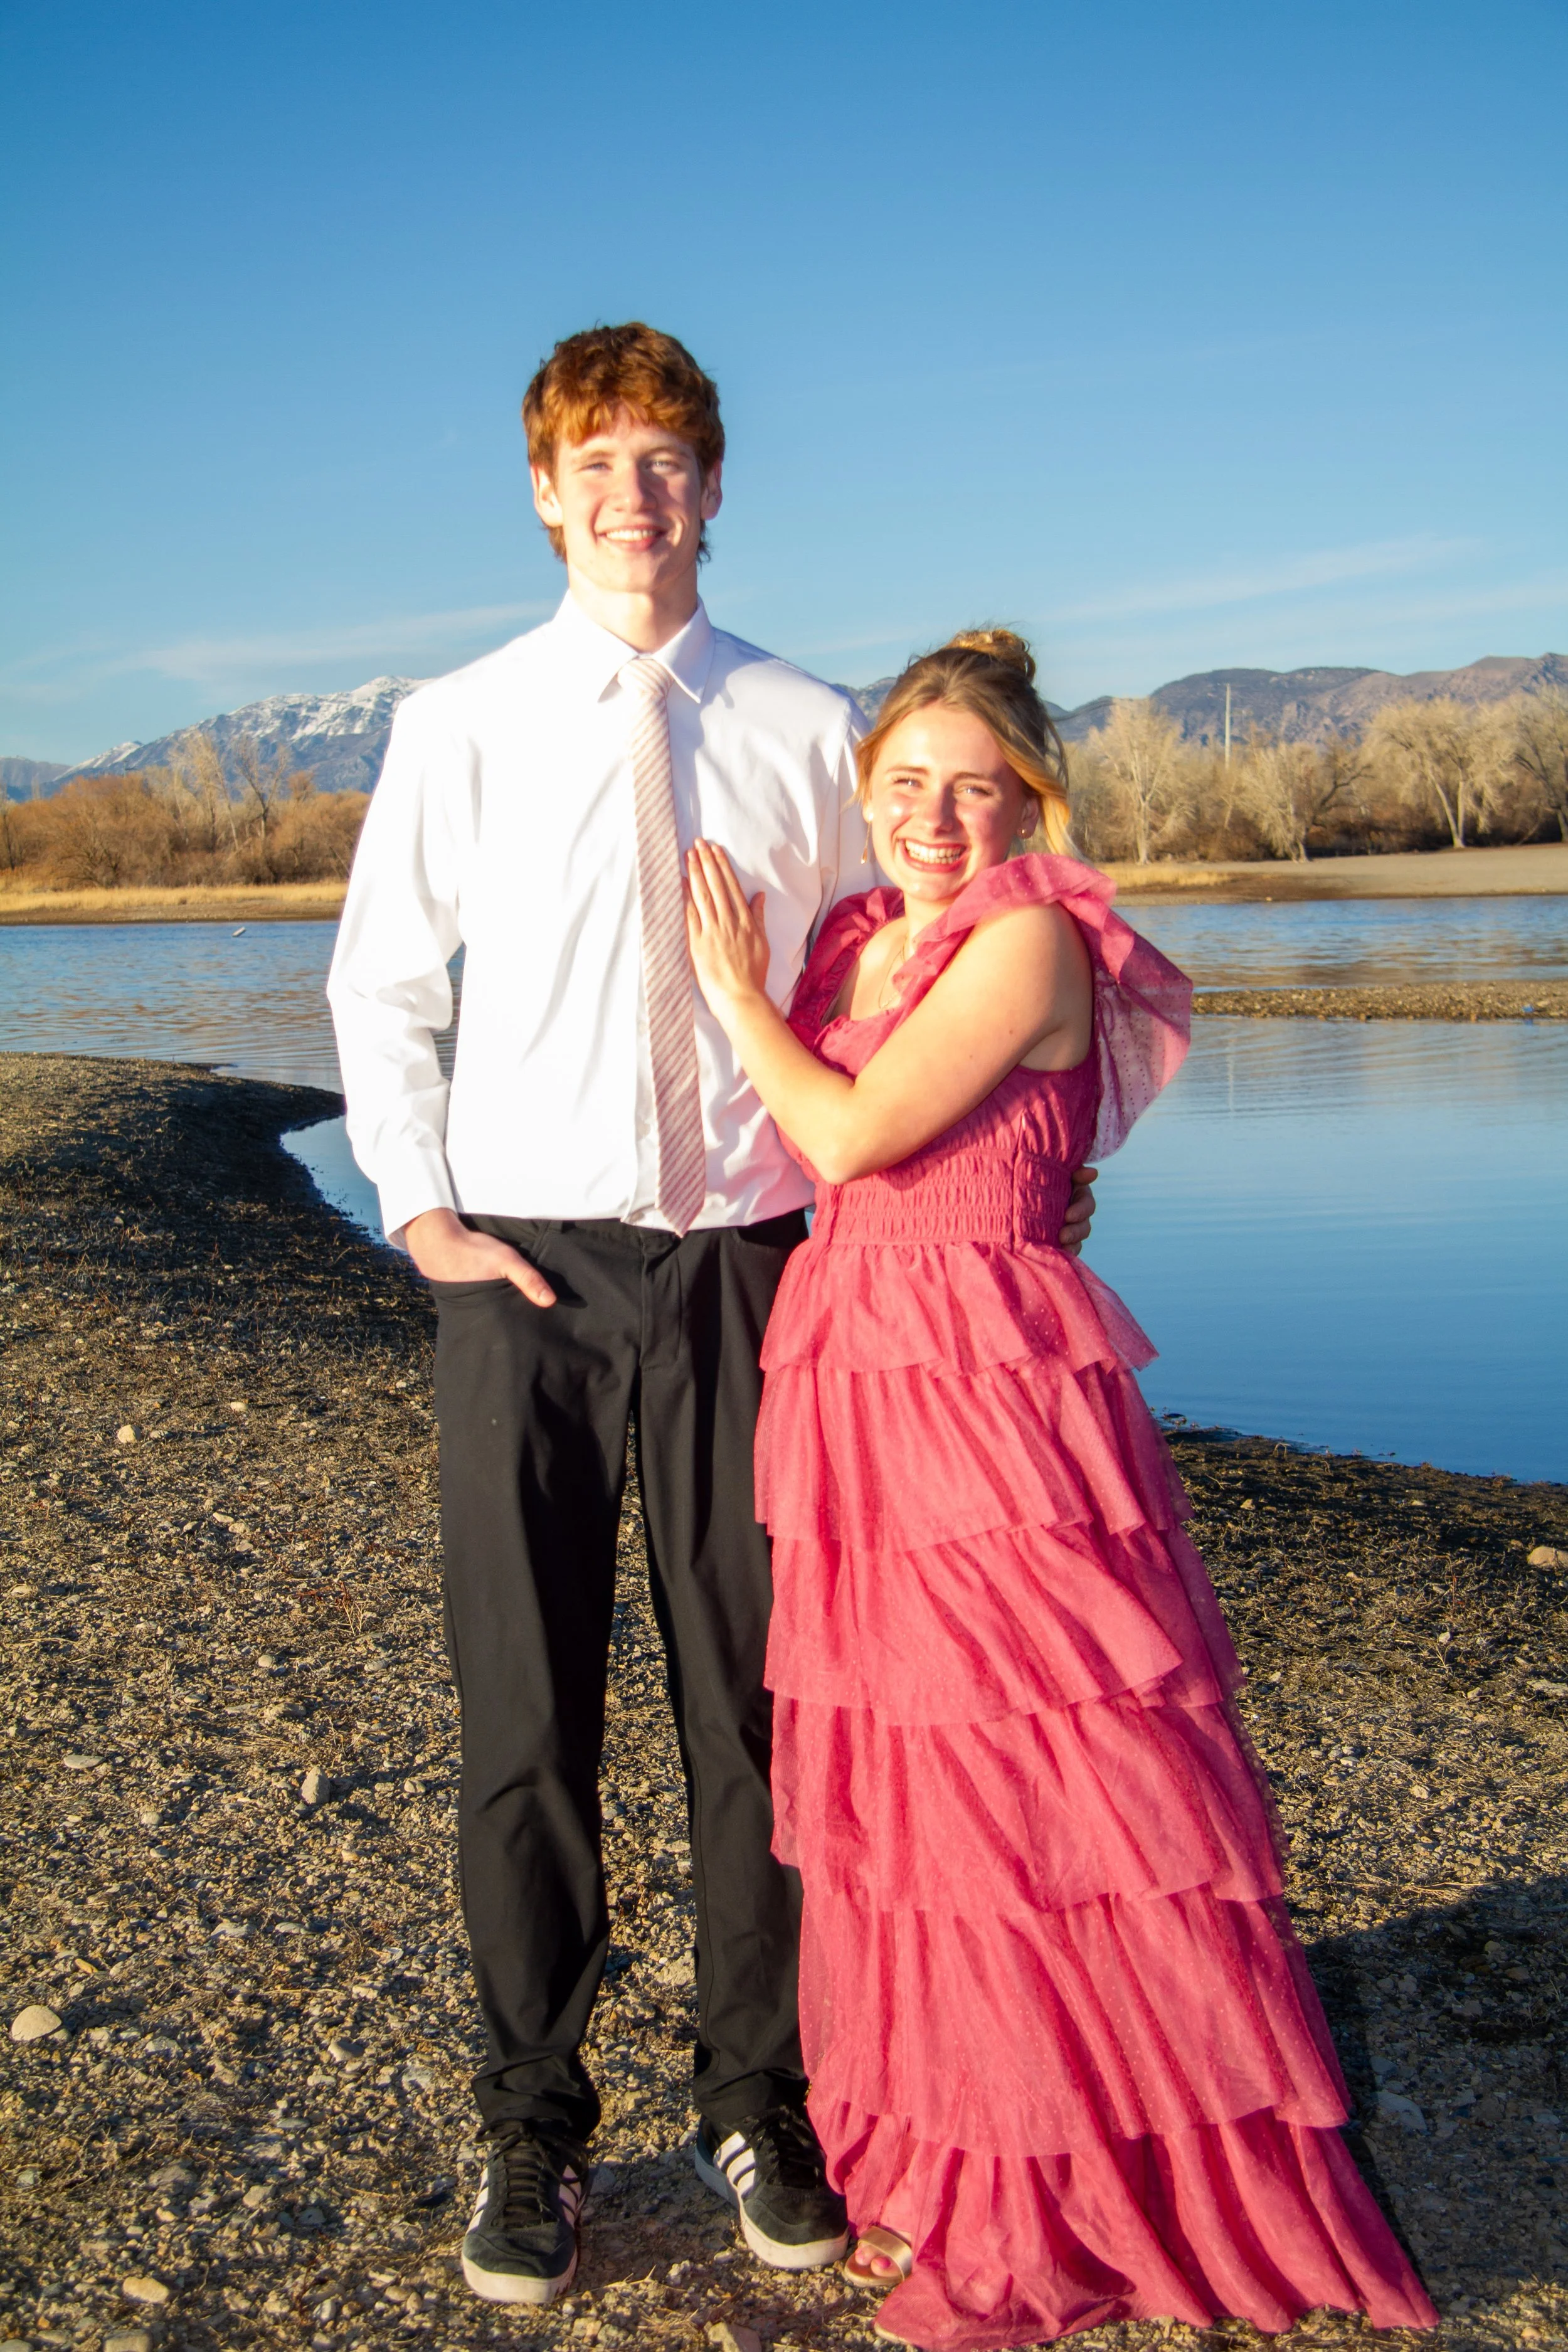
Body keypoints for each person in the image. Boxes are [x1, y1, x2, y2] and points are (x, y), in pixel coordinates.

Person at [327, 326, 1096, 2310]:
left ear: (715, 486)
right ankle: (530, 2119)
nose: (629, 495)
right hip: (529, 1266)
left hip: (761, 1270)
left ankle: (758, 2093)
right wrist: (417, 1205)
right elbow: (382, 981)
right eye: (594, 464)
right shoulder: (462, 718)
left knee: (757, 1705)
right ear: (538, 490)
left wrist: (1028, 1145)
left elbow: (906, 968)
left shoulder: (801, 722)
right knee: (527, 1710)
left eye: (664, 460)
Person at [684, 628, 1439, 2348]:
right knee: (927, 1785)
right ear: (863, 793)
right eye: (904, 786)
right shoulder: (872, 936)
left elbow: (856, 1136)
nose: (935, 818)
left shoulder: (1025, 936)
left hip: (984, 1397)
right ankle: (952, 2133)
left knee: (1051, 1762)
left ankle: (1096, 2164)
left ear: (1028, 797)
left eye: (974, 788)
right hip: (861, 1368)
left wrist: (728, 989)